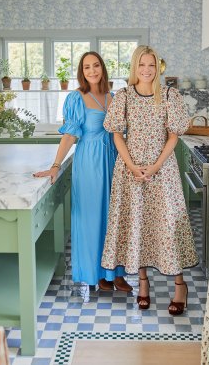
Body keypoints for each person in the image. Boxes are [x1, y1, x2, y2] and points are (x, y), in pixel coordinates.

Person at [101, 45, 198, 314]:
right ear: (135, 67)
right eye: (142, 65)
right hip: (130, 172)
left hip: (162, 171)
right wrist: (132, 166)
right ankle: (142, 284)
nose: (146, 70)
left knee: (168, 227)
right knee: (138, 226)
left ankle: (180, 285)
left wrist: (155, 166)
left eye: (151, 65)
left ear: (158, 68)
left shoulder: (169, 95)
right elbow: (117, 134)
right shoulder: (123, 97)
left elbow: (174, 135)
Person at [33, 51, 132, 292]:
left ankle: (116, 273)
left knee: (115, 217)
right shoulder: (77, 98)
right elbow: (69, 135)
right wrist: (55, 166)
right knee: (92, 217)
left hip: (114, 160)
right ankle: (96, 273)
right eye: (87, 67)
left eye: (96, 65)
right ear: (82, 72)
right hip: (90, 162)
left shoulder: (114, 97)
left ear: (102, 68)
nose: (92, 71)